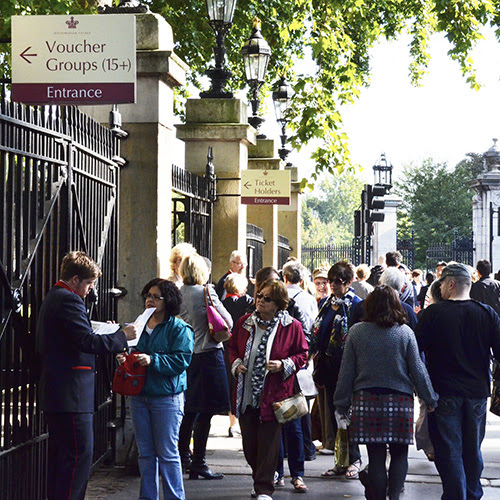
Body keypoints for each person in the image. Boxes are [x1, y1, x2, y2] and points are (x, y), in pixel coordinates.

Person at [37, 251, 137, 500]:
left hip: (62, 392)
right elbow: (85, 341)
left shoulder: (55, 297)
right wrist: (121, 336)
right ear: (74, 280)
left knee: (65, 459)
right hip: (71, 394)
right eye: (89, 284)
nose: (90, 290)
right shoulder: (68, 300)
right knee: (78, 458)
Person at [334, 285, 438, 500]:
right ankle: (395, 497)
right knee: (400, 454)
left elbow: (346, 371)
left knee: (376, 454)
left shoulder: (357, 332)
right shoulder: (405, 332)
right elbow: (418, 369)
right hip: (400, 400)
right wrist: (429, 398)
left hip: (366, 399)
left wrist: (341, 402)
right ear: (396, 305)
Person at [415, 263, 500, 500]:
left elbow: (415, 354)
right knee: (472, 449)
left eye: (442, 283)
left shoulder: (432, 315)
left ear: (451, 284)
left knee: (448, 449)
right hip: (476, 393)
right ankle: (472, 494)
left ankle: (455, 495)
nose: (440, 288)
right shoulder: (486, 313)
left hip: (443, 393)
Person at [228, 279, 308, 500]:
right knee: (249, 446)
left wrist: (284, 364)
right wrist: (236, 364)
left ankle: (264, 488)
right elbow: (232, 347)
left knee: (268, 444)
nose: (260, 301)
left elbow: (302, 354)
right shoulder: (244, 322)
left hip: (274, 396)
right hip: (246, 394)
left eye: (267, 298)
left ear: (279, 304)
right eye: (259, 296)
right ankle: (262, 476)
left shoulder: (292, 326)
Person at [118, 279, 194, 500]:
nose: (149, 300)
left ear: (167, 300)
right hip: (139, 395)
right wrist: (124, 357)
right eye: (147, 295)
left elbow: (182, 360)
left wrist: (153, 360)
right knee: (145, 453)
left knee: (168, 453)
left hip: (166, 397)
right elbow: (129, 350)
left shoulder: (179, 328)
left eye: (155, 296)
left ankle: (174, 497)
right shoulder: (139, 324)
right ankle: (148, 497)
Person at [177, 253, 233, 480]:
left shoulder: (176, 294)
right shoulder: (206, 292)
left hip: (185, 356)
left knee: (187, 411)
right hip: (209, 355)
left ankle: (183, 458)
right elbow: (227, 322)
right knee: (206, 412)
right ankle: (199, 461)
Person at [309, 261, 363, 480]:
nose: (332, 285)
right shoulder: (326, 302)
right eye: (330, 281)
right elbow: (317, 330)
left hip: (346, 365)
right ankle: (341, 461)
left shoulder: (355, 305)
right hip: (327, 366)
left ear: (349, 282)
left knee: (347, 414)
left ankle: (355, 459)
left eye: (337, 281)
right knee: (332, 413)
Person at [222, 273, 253, 437]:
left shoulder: (222, 303)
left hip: (226, 348)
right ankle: (239, 422)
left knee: (230, 384)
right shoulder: (246, 302)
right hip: (241, 347)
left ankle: (232, 422)